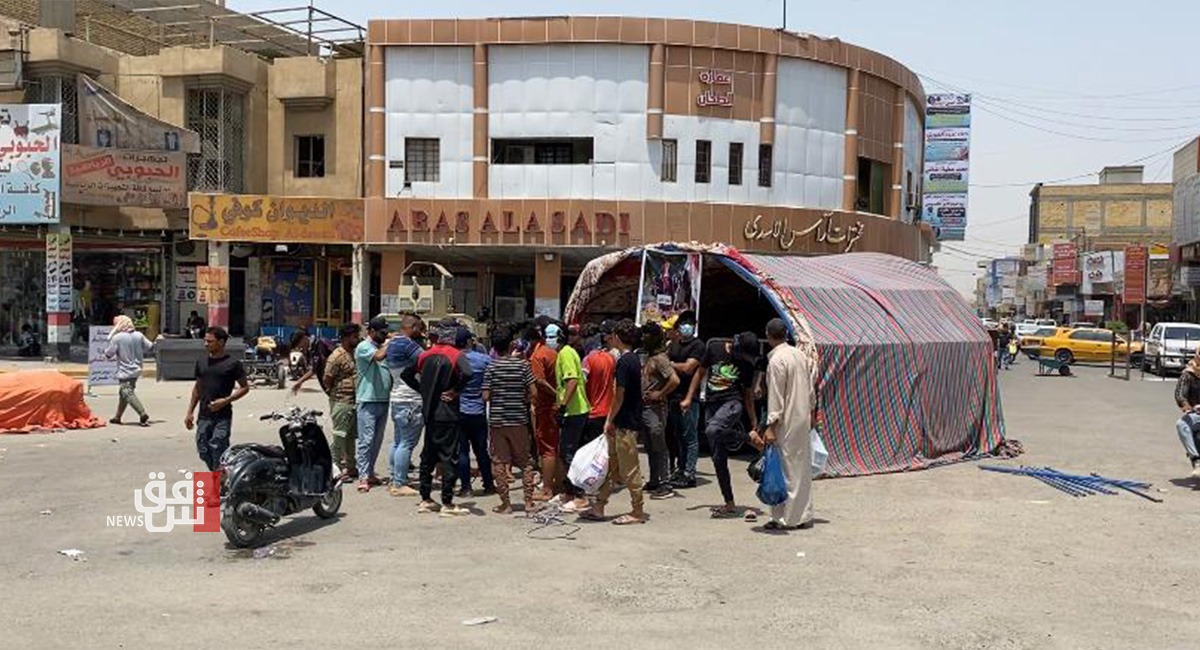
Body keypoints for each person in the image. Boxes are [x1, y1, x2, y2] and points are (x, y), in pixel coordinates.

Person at [402, 321, 473, 516]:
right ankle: (447, 503)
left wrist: (423, 391)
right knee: (449, 456)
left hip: (429, 412)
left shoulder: (425, 354)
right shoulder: (455, 355)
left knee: (428, 455)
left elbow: (406, 374)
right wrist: (455, 391)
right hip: (448, 413)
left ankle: (425, 498)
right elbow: (468, 373)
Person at [579, 320, 647, 525]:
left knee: (630, 469)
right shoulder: (633, 359)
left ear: (618, 337)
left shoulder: (625, 362)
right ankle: (599, 506)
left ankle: (637, 510)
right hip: (624, 422)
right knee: (611, 467)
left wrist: (609, 419)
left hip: (626, 423)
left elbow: (619, 396)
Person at [751, 318, 816, 530]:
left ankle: (784, 518)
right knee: (800, 468)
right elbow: (810, 390)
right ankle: (802, 515)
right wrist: (812, 412)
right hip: (802, 417)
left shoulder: (777, 361)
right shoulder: (800, 356)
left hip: (785, 421)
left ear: (769, 336)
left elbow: (776, 397)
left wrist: (770, 425)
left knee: (784, 469)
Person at [698, 332, 760, 520]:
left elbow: (747, 395)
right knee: (718, 458)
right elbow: (700, 372)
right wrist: (689, 397)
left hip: (732, 404)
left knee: (712, 430)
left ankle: (747, 439)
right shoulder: (714, 347)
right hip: (711, 404)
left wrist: (754, 421)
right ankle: (729, 503)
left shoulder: (747, 365)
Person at [483, 324, 542, 514]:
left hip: (498, 421)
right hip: (518, 420)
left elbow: (485, 396)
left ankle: (505, 504)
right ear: (510, 345)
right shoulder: (523, 366)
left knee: (499, 461)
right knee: (525, 462)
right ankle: (528, 502)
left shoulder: (491, 367)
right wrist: (520, 397)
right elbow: (534, 392)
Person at [185, 327, 249, 471]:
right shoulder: (201, 362)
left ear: (221, 342)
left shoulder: (233, 364)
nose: (206, 344)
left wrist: (225, 401)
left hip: (223, 416)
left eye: (210, 341)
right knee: (203, 450)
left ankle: (217, 485)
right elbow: (197, 388)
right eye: (205, 341)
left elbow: (244, 388)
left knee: (218, 447)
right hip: (204, 416)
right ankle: (220, 475)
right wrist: (190, 412)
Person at [386, 314, 426, 497]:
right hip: (410, 398)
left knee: (398, 441)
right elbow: (426, 359)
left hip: (397, 397)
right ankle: (400, 483)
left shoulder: (393, 343)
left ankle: (394, 478)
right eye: (418, 328)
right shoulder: (408, 344)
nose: (421, 332)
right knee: (407, 443)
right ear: (412, 327)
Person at [640, 322, 680, 500]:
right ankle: (655, 479)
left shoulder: (660, 359)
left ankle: (665, 483)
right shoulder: (649, 357)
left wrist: (660, 394)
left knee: (659, 447)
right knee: (650, 446)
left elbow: (674, 380)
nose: (643, 338)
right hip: (646, 408)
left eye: (647, 335)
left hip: (656, 409)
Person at [555, 324, 592, 511]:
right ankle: (569, 492)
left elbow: (572, 381)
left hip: (574, 410)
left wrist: (562, 406)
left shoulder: (566, 354)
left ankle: (580, 495)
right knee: (565, 452)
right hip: (574, 410)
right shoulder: (567, 352)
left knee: (569, 454)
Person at [354, 316, 393, 492]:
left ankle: (369, 472)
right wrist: (391, 342)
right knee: (366, 440)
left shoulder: (380, 346)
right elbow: (378, 357)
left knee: (377, 441)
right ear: (371, 332)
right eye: (382, 333)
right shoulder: (364, 347)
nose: (384, 336)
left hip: (383, 399)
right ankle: (362, 476)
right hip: (367, 399)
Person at [665, 311, 704, 488]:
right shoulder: (674, 345)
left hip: (689, 398)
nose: (685, 327)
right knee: (678, 435)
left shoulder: (698, 346)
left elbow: (689, 368)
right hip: (673, 396)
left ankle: (690, 473)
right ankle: (680, 469)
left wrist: (671, 365)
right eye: (683, 323)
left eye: (689, 323)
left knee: (690, 436)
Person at [456, 327, 495, 498]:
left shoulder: (454, 359)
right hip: (479, 410)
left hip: (459, 410)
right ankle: (488, 484)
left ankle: (466, 488)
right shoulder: (484, 359)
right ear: (468, 341)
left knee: (462, 451)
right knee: (481, 450)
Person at [527, 320, 560, 500]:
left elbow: (538, 381)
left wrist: (555, 395)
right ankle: (557, 484)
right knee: (555, 446)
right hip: (554, 406)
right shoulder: (554, 353)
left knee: (546, 449)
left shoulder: (538, 356)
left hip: (546, 407)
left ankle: (547, 489)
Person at [323, 323, 361, 482]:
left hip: (353, 401)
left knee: (350, 437)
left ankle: (351, 467)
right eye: (355, 337)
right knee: (339, 436)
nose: (357, 339)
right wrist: (335, 393)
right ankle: (335, 468)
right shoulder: (337, 356)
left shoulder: (353, 353)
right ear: (346, 337)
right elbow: (327, 379)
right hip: (341, 401)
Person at [105, 315, 155, 426]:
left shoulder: (117, 338)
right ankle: (117, 417)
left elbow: (109, 354)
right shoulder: (139, 335)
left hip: (124, 370)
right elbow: (150, 347)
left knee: (127, 392)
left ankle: (142, 413)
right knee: (123, 393)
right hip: (137, 369)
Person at [581, 322, 616, 468]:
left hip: (592, 411)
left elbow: (581, 385)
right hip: (608, 411)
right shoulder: (610, 358)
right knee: (604, 450)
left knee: (591, 451)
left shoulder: (587, 360)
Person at [1173, 350, 1200, 480]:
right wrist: (1187, 407)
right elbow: (1179, 394)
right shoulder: (1188, 374)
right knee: (1181, 425)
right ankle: (1196, 460)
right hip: (1196, 414)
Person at [290, 329, 334, 395]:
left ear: (304, 338)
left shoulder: (319, 345)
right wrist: (300, 381)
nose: (300, 347)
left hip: (336, 386)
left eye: (298, 344)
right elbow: (316, 368)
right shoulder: (314, 347)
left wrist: (300, 381)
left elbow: (318, 368)